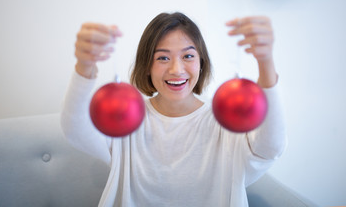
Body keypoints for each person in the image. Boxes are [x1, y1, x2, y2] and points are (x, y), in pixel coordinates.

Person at [61, 12, 286, 207]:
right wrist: (85, 65)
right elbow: (75, 129)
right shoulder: (125, 119)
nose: (176, 69)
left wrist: (265, 62)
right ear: (147, 66)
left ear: (201, 63)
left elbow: (270, 147)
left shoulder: (226, 119)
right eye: (163, 58)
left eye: (188, 56)